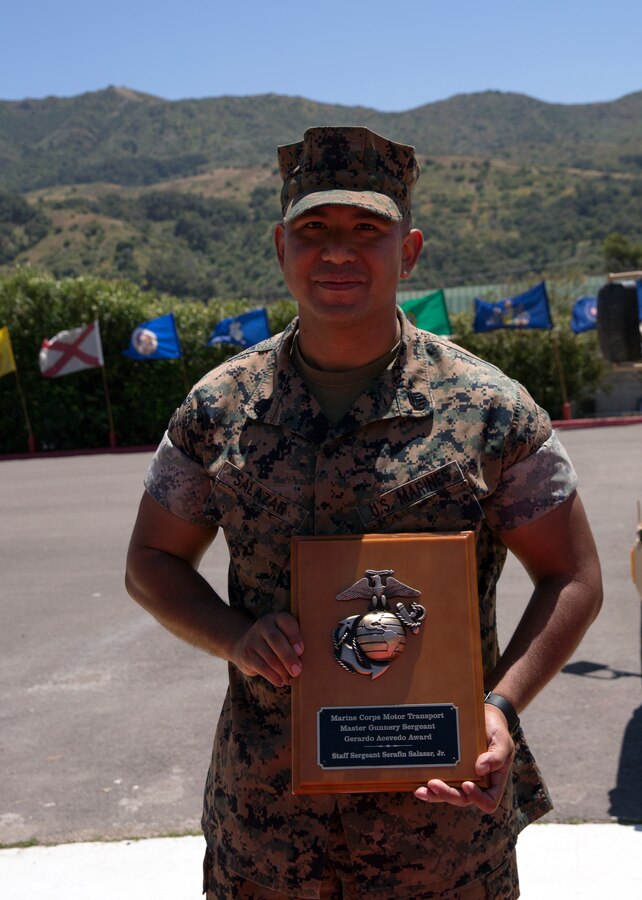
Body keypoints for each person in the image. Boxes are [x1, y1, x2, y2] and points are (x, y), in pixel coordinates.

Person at [125, 126, 603, 899]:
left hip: (440, 834)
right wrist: (238, 637)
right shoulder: (220, 408)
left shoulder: (490, 410)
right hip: (268, 833)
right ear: (281, 247)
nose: (338, 252)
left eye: (366, 231)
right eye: (314, 230)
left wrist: (500, 706)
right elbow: (151, 561)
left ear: (408, 252)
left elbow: (573, 577)